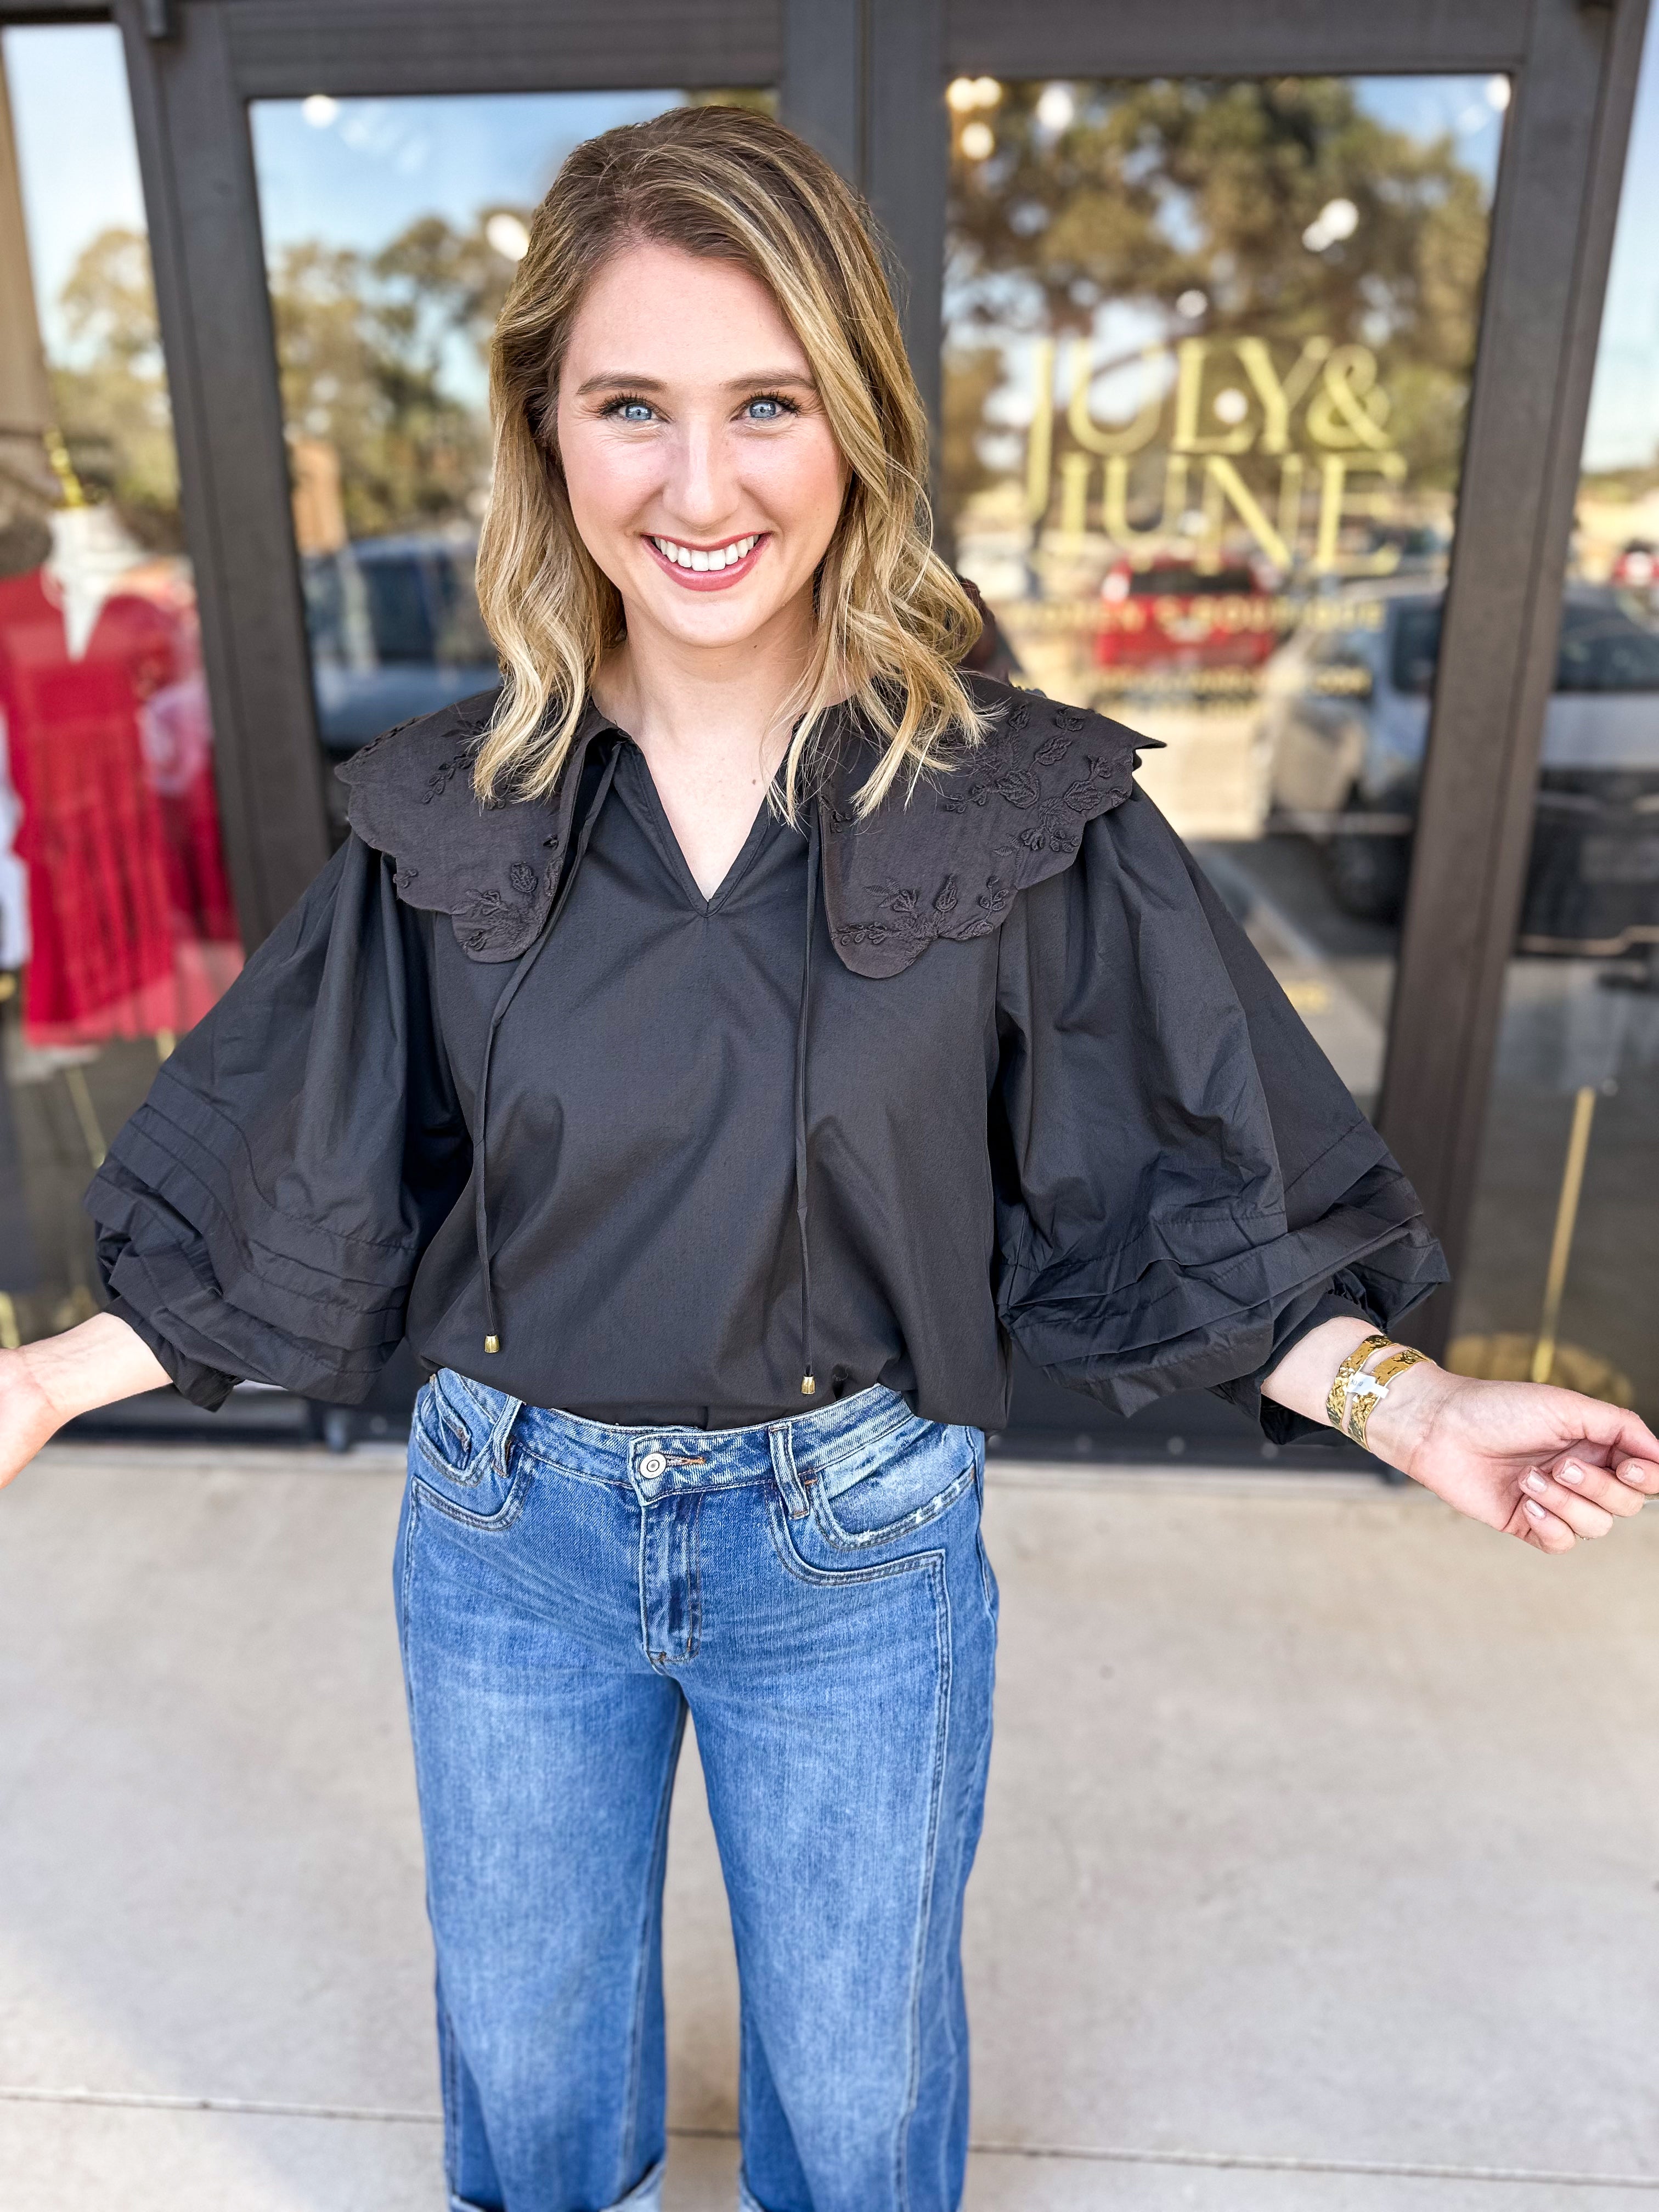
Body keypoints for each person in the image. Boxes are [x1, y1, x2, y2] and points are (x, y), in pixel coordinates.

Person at [1, 105, 1654, 2212]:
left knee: (864, 2110)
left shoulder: (1008, 803)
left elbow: (1176, 1166)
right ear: (548, 431)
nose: (702, 488)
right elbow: (305, 1170)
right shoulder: (454, 812)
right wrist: (43, 1383)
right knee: (524, 2096)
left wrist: (1409, 1407)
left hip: (851, 1553)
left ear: (855, 418)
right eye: (632, 407)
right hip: (509, 1541)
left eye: (764, 403)